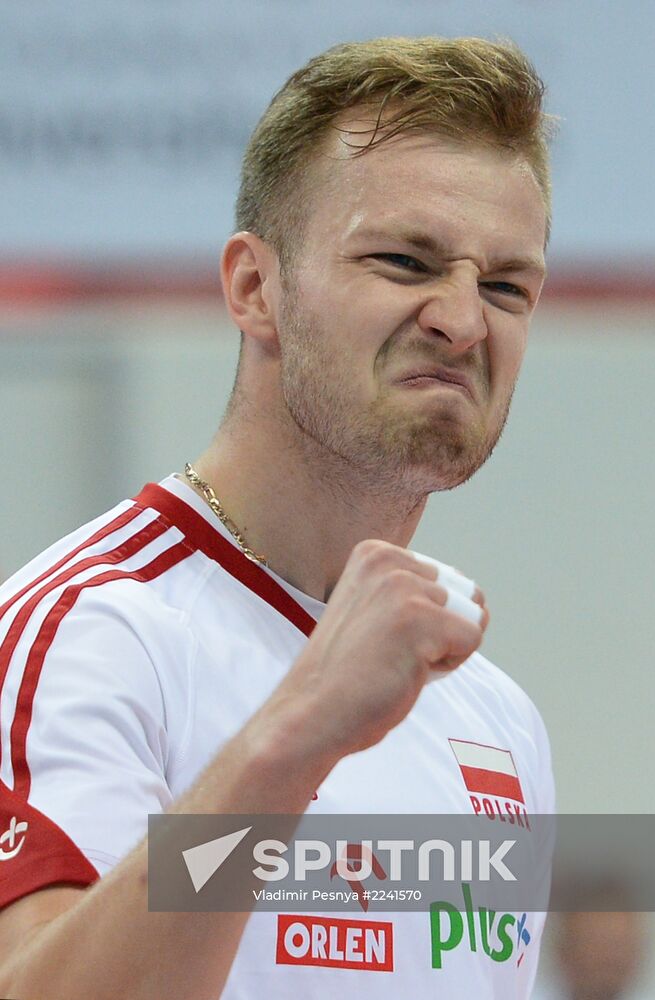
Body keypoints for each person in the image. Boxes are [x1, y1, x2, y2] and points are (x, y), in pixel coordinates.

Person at [0, 35, 554, 999]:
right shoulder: (86, 632)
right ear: (256, 288)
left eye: (506, 285)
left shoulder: (499, 723)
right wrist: (292, 741)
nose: (463, 322)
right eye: (404, 260)